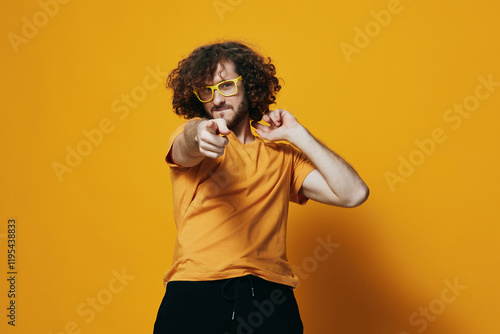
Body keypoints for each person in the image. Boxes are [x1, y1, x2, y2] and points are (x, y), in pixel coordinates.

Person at [153, 41, 369, 334]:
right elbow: (187, 144)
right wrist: (201, 134)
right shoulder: (197, 140)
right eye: (206, 91)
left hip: (269, 296)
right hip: (196, 289)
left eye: (226, 85)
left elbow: (354, 193)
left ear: (249, 85)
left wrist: (297, 134)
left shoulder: (284, 158)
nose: (216, 99)